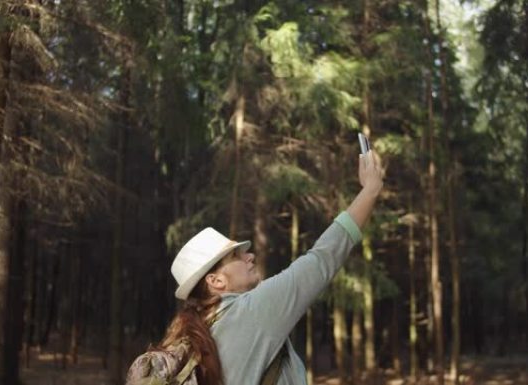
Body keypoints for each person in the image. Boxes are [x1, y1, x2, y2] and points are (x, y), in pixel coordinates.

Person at [159, 151, 383, 385]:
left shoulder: (196, 334)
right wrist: (370, 191)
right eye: (237, 255)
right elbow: (322, 259)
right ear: (216, 281)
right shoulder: (250, 312)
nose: (250, 256)